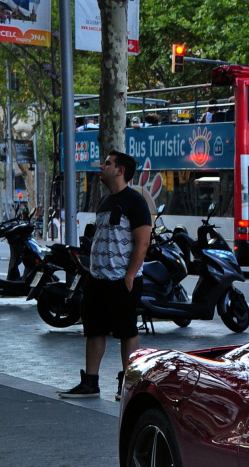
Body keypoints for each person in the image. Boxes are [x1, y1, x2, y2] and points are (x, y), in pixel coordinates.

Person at [58, 151, 152, 400]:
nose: (101, 167)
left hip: (122, 280)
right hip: (97, 278)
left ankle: (128, 385)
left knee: (127, 331)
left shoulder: (135, 201)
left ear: (120, 170)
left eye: (107, 164)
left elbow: (143, 242)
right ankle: (90, 382)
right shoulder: (105, 201)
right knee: (94, 329)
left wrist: (130, 276)